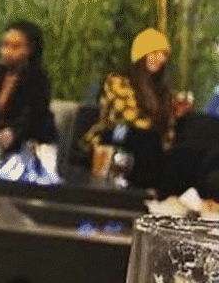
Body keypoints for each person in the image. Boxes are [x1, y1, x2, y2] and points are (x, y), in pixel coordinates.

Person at [82, 28, 194, 194]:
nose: (159, 58)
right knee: (144, 138)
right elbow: (128, 117)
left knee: (176, 151)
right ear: (141, 55)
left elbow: (166, 134)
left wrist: (175, 115)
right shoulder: (118, 81)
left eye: (163, 54)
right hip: (115, 134)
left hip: (147, 142)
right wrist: (160, 118)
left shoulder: (162, 91)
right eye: (153, 52)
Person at [0, 20, 58, 164]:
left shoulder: (38, 78)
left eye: (16, 47)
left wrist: (12, 133)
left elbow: (33, 116)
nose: (7, 51)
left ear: (31, 50)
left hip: (29, 138)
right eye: (5, 45)